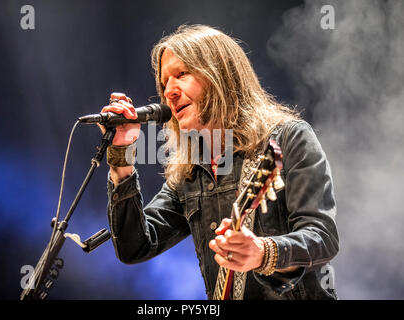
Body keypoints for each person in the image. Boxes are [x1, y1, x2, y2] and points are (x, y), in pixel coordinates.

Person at [98, 25, 339, 300]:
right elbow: (135, 246)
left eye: (181, 74)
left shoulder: (289, 138)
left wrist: (262, 252)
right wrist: (121, 158)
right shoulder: (191, 171)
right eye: (164, 83)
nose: (169, 93)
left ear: (221, 75)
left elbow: (323, 237)